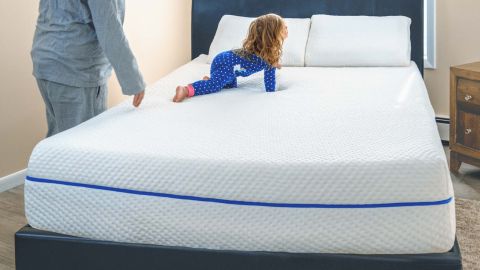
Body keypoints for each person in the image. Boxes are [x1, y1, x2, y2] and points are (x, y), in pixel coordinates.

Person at [32, 0, 146, 137]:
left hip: (47, 60)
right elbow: (109, 28)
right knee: (82, 144)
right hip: (75, 70)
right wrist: (133, 81)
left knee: (58, 141)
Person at [173, 13, 288, 102]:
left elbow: (258, 62)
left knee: (230, 86)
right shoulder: (269, 58)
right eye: (284, 28)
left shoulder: (266, 55)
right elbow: (269, 85)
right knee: (215, 86)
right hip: (226, 63)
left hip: (227, 62)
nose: (287, 30)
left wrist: (274, 63)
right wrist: (272, 94)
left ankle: (209, 80)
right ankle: (186, 90)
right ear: (272, 35)